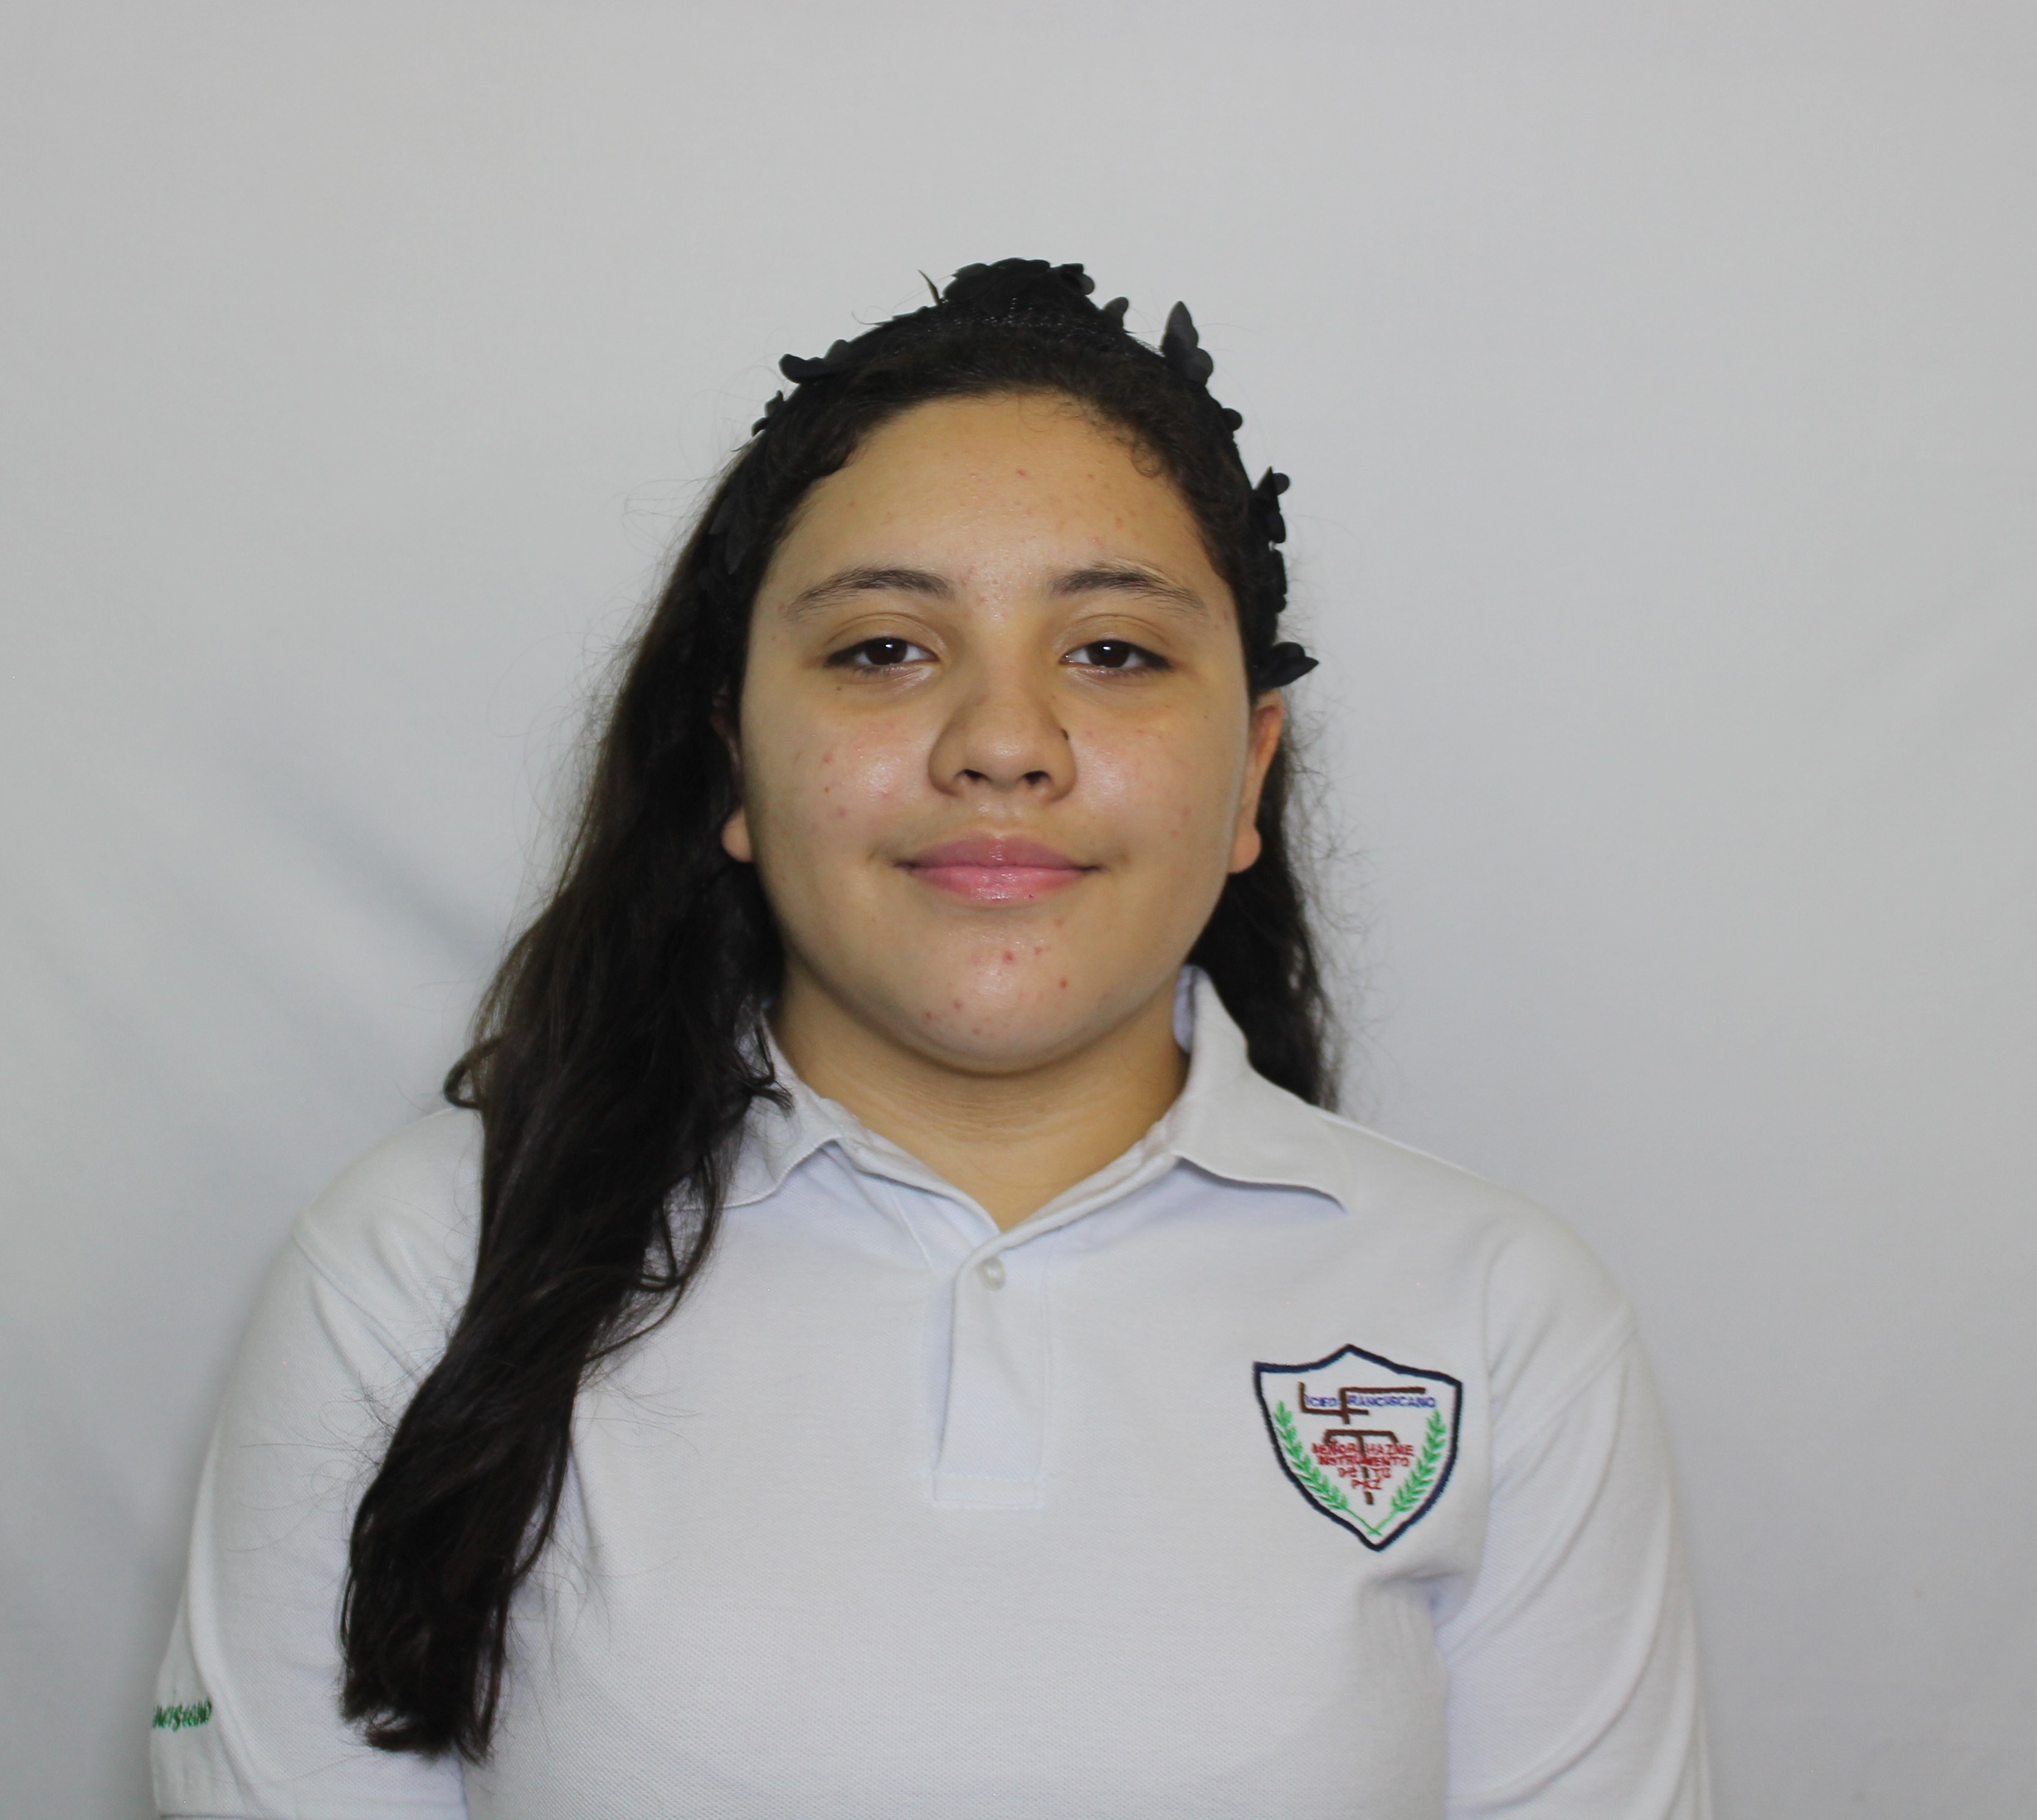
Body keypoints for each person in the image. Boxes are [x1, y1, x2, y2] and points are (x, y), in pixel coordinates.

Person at [152, 259, 1709, 1819]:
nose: (1001, 744)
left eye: (1112, 650)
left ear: (1247, 775)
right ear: (734, 764)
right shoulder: (419, 1267)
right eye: (883, 648)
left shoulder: (1499, 1318)